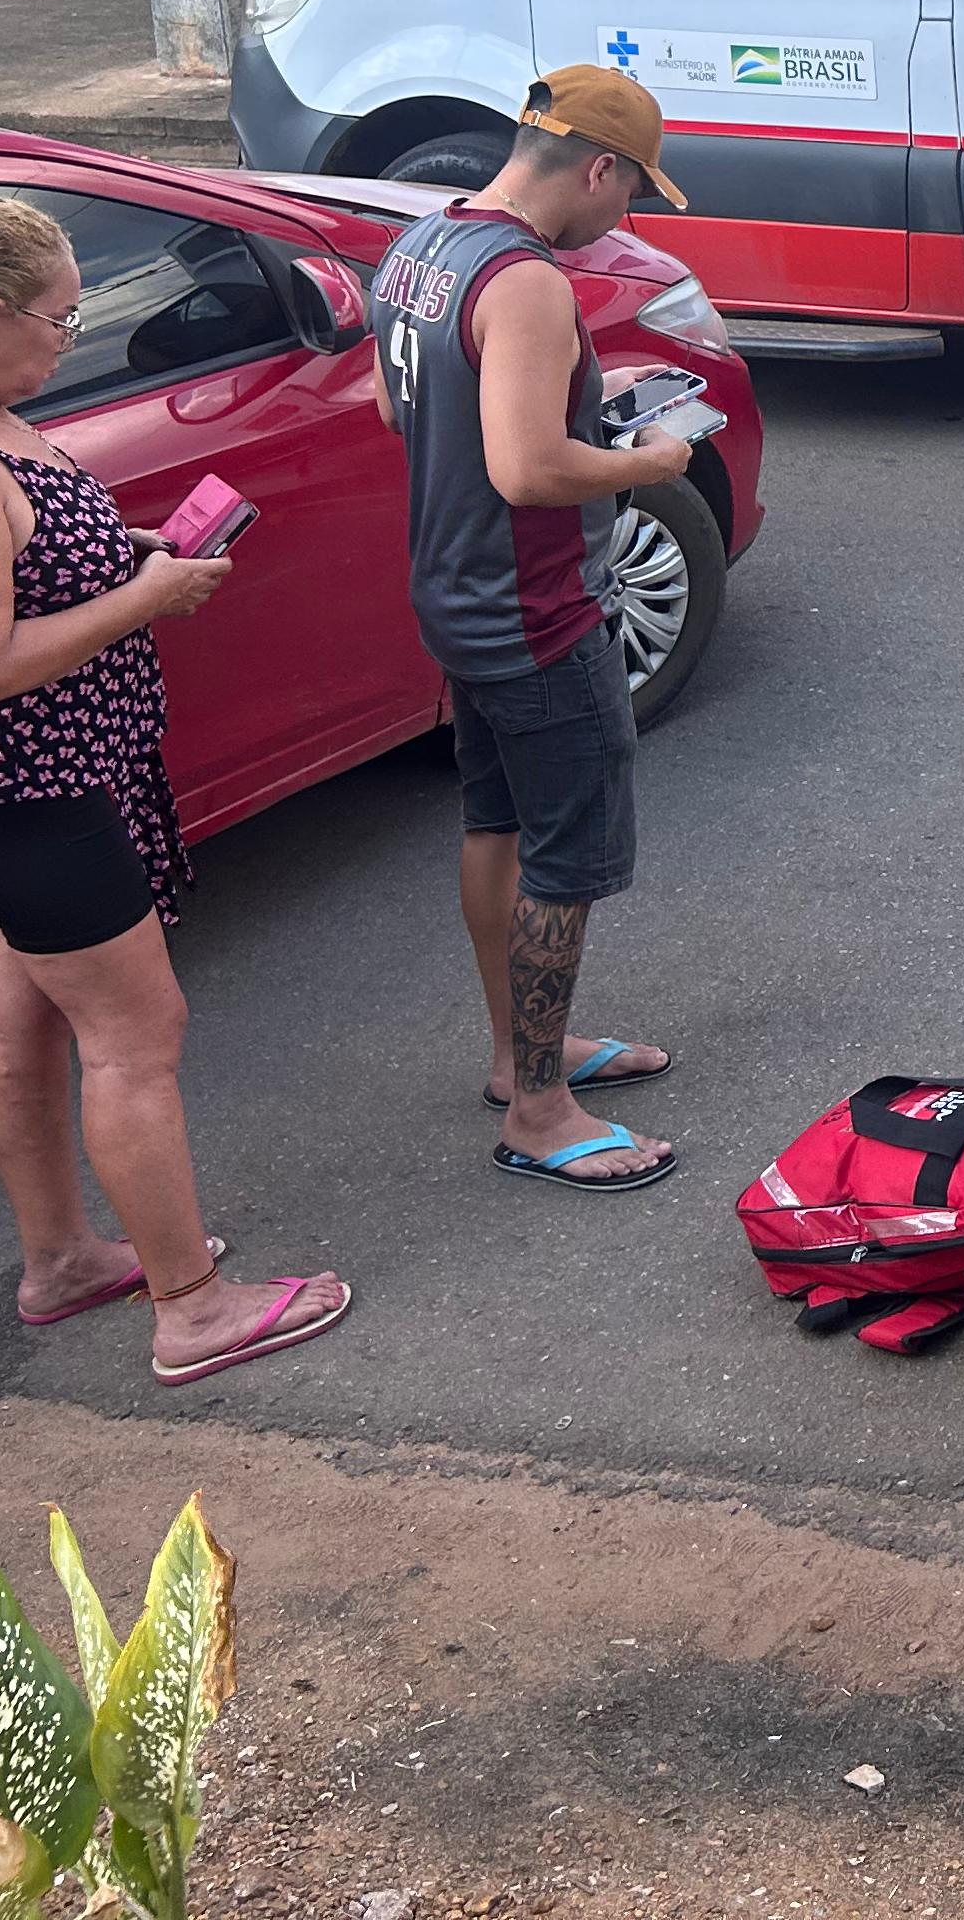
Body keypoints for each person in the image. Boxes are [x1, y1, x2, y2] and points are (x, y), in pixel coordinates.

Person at [0, 193, 349, 1385]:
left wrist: (125, 552)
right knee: (136, 1037)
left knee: (17, 1015)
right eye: (60, 320)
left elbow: (13, 562)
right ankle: (193, 1309)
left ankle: (60, 1262)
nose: (71, 340)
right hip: (18, 791)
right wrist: (144, 601)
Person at [373, 67, 697, 1193]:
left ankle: (520, 1056)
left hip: (453, 590)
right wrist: (648, 462)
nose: (629, 215)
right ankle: (543, 1111)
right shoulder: (526, 282)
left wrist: (571, 405)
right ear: (598, 168)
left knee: (497, 821)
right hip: (537, 608)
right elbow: (526, 468)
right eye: (634, 191)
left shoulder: (424, 244)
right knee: (567, 858)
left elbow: (398, 406)